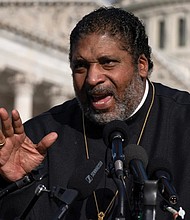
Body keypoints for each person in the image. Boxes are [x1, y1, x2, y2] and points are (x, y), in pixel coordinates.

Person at [0, 6, 190, 220]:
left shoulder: (184, 121)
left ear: (142, 65)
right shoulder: (38, 137)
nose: (92, 79)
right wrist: (16, 185)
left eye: (107, 62)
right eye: (80, 66)